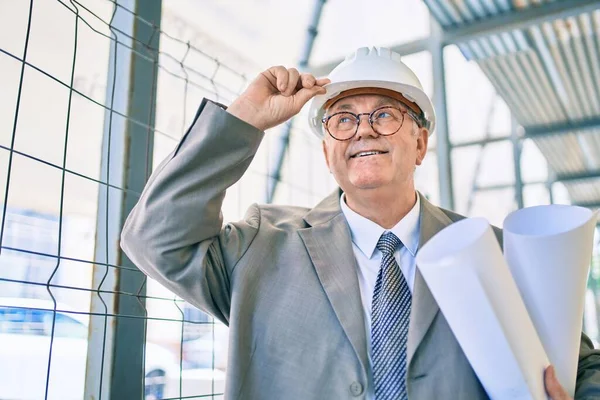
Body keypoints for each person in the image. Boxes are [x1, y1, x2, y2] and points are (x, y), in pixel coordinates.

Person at [121, 47, 600, 399]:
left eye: (385, 115)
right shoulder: (261, 246)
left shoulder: (495, 253)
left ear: (420, 144)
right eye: (343, 120)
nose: (364, 129)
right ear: (328, 152)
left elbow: (584, 367)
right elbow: (155, 239)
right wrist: (244, 118)